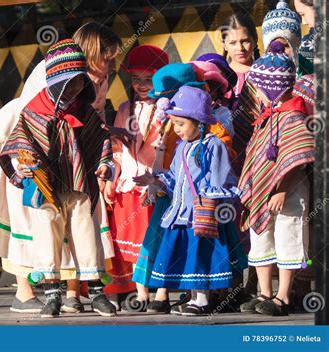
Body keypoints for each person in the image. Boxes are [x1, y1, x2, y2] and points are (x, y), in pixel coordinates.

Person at [0, 22, 121, 314]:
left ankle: (81, 289)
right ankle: (31, 291)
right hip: (30, 151)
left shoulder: (93, 79)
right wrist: (30, 164)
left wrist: (101, 158)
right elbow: (39, 117)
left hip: (71, 161)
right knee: (32, 220)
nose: (111, 64)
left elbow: (89, 122)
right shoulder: (53, 71)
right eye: (106, 56)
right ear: (91, 51)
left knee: (82, 220)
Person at [133, 86, 245, 316]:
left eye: (181, 124)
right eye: (174, 123)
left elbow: (222, 179)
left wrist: (213, 198)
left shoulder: (213, 145)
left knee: (201, 256)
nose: (177, 129)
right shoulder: (182, 148)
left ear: (199, 121)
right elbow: (175, 178)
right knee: (190, 257)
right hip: (182, 212)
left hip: (202, 214)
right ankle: (194, 298)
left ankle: (202, 300)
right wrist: (154, 180)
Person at [238, 41, 315, 316]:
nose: (255, 92)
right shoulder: (267, 117)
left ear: (272, 87)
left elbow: (298, 155)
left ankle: (283, 296)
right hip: (264, 193)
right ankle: (264, 293)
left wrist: (281, 189)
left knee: (288, 236)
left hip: (289, 191)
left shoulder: (293, 116)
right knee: (262, 238)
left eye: (257, 87)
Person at [103, 45, 169, 311]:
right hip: (127, 185)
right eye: (136, 79)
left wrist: (155, 179)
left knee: (156, 240)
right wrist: (111, 179)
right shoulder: (123, 108)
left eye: (148, 80)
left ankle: (162, 292)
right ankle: (141, 292)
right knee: (130, 241)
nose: (142, 85)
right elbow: (117, 150)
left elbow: (165, 148)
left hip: (152, 185)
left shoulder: (167, 110)